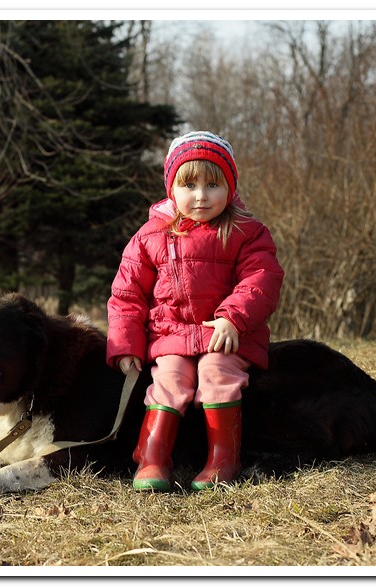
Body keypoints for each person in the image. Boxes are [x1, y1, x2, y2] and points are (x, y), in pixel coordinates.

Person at [107, 131, 284, 491]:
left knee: (216, 372)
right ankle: (152, 455)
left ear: (230, 188)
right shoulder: (150, 235)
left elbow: (261, 279)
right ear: (172, 188)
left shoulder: (245, 231)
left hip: (225, 334)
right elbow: (127, 294)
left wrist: (233, 317)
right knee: (169, 378)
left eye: (213, 184)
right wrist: (125, 344)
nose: (201, 196)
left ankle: (223, 458)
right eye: (189, 185)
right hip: (171, 336)